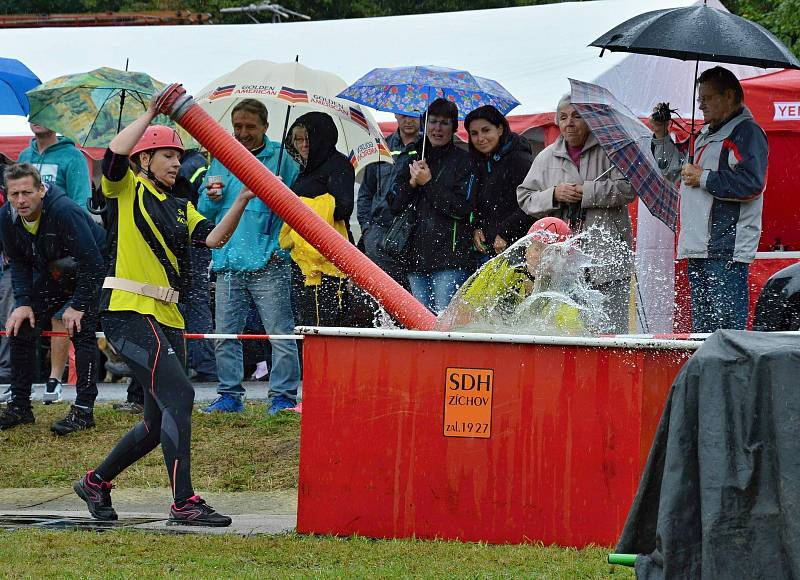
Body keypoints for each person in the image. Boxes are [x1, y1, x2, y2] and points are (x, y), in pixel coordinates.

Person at [73, 101, 255, 527]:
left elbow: (213, 239)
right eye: (168, 155)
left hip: (167, 316)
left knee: (157, 423)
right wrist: (153, 113)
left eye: (178, 155)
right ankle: (183, 502)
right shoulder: (125, 188)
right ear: (144, 160)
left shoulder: (179, 203)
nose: (177, 162)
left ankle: (96, 482)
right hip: (128, 311)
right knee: (183, 396)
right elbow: (112, 157)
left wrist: (244, 199)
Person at [197, 99, 301, 415]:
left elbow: (296, 211)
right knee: (225, 334)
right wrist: (210, 196)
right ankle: (229, 396)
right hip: (228, 261)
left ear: (265, 127)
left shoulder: (283, 161)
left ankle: (283, 397)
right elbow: (204, 212)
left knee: (280, 334)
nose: (242, 133)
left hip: (270, 262)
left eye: (250, 127)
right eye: (238, 126)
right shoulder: (221, 158)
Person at [0, 163, 105, 434]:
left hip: (95, 270)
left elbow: (94, 262)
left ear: (42, 190)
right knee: (20, 325)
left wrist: (79, 305)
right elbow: (21, 264)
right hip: (57, 272)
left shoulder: (64, 211)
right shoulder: (6, 217)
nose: (21, 200)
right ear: (7, 194)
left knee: (79, 328)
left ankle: (83, 411)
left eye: (27, 192)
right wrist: (23, 302)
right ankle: (20, 407)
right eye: (14, 194)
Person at [517, 94, 635, 333]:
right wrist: (554, 194)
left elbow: (629, 188)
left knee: (610, 336)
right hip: (562, 266)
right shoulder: (546, 156)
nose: (569, 122)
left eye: (576, 116)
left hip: (607, 263)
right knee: (566, 333)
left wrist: (586, 191)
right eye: (563, 117)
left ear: (589, 120)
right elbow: (525, 198)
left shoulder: (610, 152)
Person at [679, 66, 768, 332]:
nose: (700, 104)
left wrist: (704, 177)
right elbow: (675, 172)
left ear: (729, 96)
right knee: (702, 338)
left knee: (726, 338)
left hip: (724, 250)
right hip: (699, 248)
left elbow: (752, 183)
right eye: (699, 99)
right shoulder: (705, 134)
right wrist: (660, 136)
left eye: (706, 98)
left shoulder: (746, 133)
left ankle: (730, 375)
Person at [18, 123, 93, 404]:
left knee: (62, 316)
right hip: (34, 250)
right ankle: (21, 384)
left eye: (43, 113)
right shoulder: (25, 154)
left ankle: (54, 380)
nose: (37, 119)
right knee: (25, 312)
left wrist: (72, 239)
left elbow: (81, 203)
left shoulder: (72, 156)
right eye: (32, 112)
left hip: (66, 251)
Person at [388, 98, 476, 313]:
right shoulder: (411, 155)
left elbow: (462, 209)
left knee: (443, 323)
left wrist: (428, 183)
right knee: (419, 323)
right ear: (424, 124)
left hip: (450, 258)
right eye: (433, 121)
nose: (437, 128)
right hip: (414, 256)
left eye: (445, 123)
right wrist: (411, 183)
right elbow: (394, 203)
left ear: (454, 127)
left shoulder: (464, 160)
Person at [437, 217, 588, 335]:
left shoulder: (569, 290)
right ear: (527, 250)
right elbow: (466, 308)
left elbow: (571, 331)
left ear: (563, 259)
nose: (543, 257)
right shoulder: (502, 269)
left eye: (551, 252)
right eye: (538, 249)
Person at [282, 111, 356, 327]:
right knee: (306, 323)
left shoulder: (338, 164)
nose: (303, 145)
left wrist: (302, 206)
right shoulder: (304, 170)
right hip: (303, 259)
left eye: (308, 138)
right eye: (298, 139)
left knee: (325, 324)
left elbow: (344, 207)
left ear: (321, 138)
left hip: (329, 259)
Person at [465, 105, 534, 267]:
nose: (480, 138)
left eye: (486, 130)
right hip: (488, 250)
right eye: (474, 133)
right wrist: (476, 228)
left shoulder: (519, 159)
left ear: (500, 129)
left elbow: (531, 203)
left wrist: (505, 233)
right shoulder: (480, 163)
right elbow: (480, 205)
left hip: (517, 249)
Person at [357, 113, 419, 286]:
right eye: (403, 115)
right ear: (395, 114)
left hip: (411, 235)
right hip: (379, 233)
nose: (408, 120)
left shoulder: (427, 148)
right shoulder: (382, 147)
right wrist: (366, 228)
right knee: (381, 295)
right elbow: (366, 192)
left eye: (414, 114)